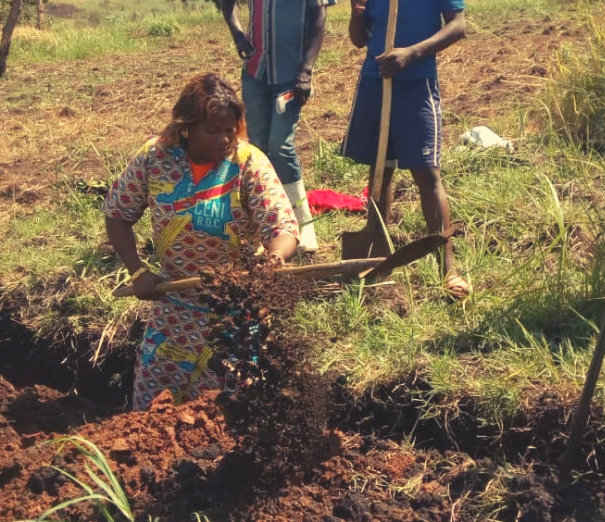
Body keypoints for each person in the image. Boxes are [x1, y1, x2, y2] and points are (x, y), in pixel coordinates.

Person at [103, 73, 299, 410]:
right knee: (153, 415)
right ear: (186, 128)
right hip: (173, 308)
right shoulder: (155, 158)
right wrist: (137, 272)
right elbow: (117, 213)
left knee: (227, 414)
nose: (224, 139)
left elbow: (283, 227)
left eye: (230, 130)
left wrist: (275, 258)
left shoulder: (248, 163)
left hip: (233, 313)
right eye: (212, 131)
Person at [340, 0, 469, 298]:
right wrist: (357, 13)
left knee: (426, 173)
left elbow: (458, 25)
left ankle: (448, 267)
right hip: (375, 81)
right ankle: (375, 251)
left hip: (417, 83)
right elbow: (360, 40)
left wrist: (412, 54)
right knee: (380, 169)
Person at [220, 0, 336, 252]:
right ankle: (261, 229)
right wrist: (238, 35)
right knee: (257, 148)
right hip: (255, 73)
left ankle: (305, 223)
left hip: (291, 76)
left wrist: (306, 70)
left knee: (280, 146)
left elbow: (318, 18)